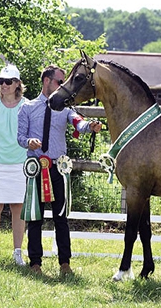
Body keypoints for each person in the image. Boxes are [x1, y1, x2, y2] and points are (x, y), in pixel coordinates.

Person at [17, 65, 102, 275]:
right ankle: (35, 262)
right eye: (59, 82)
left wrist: (90, 126)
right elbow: (19, 138)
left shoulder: (64, 108)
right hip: (36, 168)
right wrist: (29, 142)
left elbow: (78, 123)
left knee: (61, 218)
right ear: (46, 81)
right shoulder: (27, 108)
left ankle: (65, 263)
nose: (62, 86)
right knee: (35, 217)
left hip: (59, 168)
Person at [0, 64, 27, 266]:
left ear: (17, 83)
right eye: (1, 81)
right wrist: (0, 149)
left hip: (20, 162)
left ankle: (18, 252)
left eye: (8, 81)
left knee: (19, 207)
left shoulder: (27, 105)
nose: (4, 85)